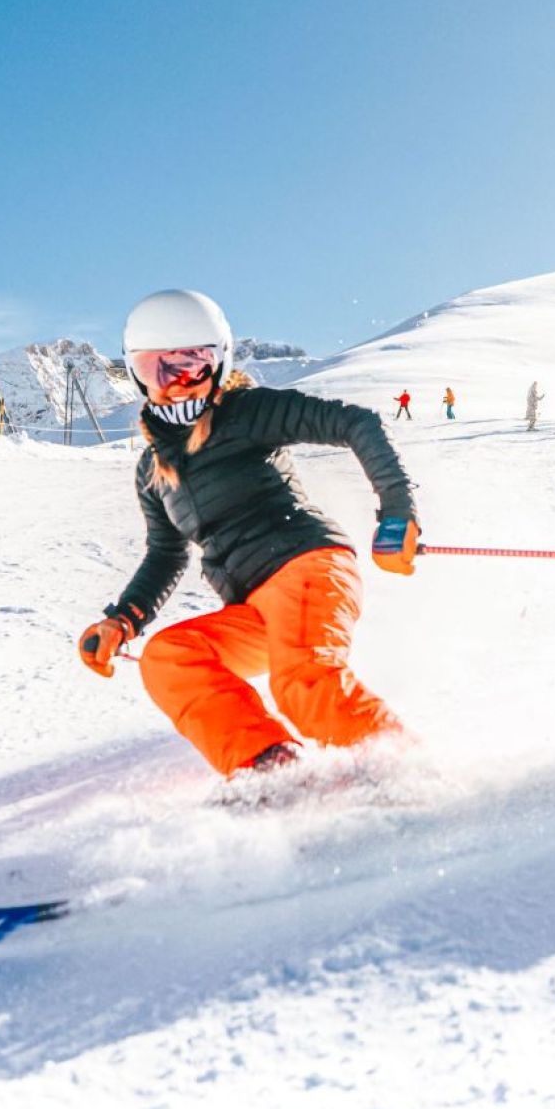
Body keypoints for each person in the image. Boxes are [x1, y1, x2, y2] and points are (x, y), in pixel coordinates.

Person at [78, 290, 421, 778]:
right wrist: (122, 621)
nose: (178, 384)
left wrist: (397, 512)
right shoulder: (152, 469)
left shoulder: (247, 412)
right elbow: (165, 555)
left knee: (302, 681)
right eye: (160, 369)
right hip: (252, 607)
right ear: (137, 374)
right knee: (170, 658)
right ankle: (268, 765)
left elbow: (354, 423)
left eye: (193, 365)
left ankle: (406, 768)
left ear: (219, 363)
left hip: (306, 566)